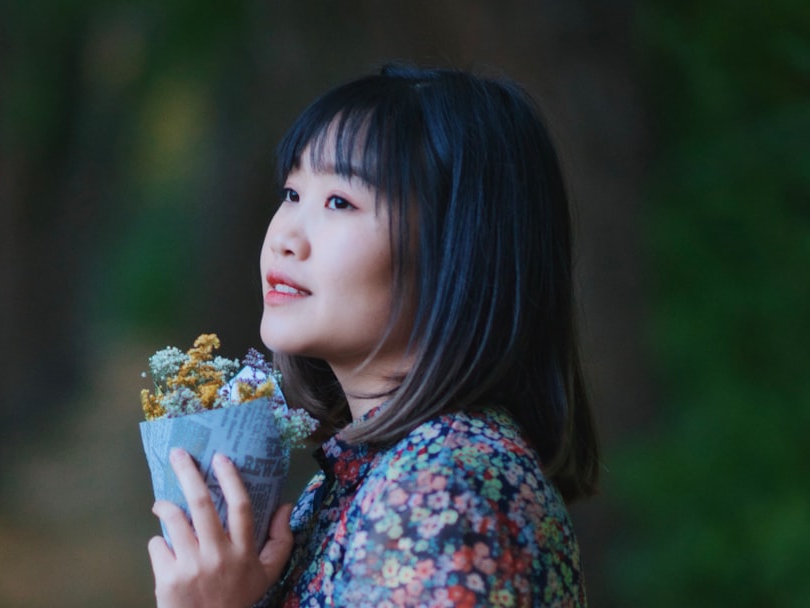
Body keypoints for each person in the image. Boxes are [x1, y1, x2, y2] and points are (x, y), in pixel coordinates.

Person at [147, 62, 601, 607]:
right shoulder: (366, 477)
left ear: (458, 251)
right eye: (292, 193)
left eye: (340, 201)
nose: (286, 236)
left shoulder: (447, 496)